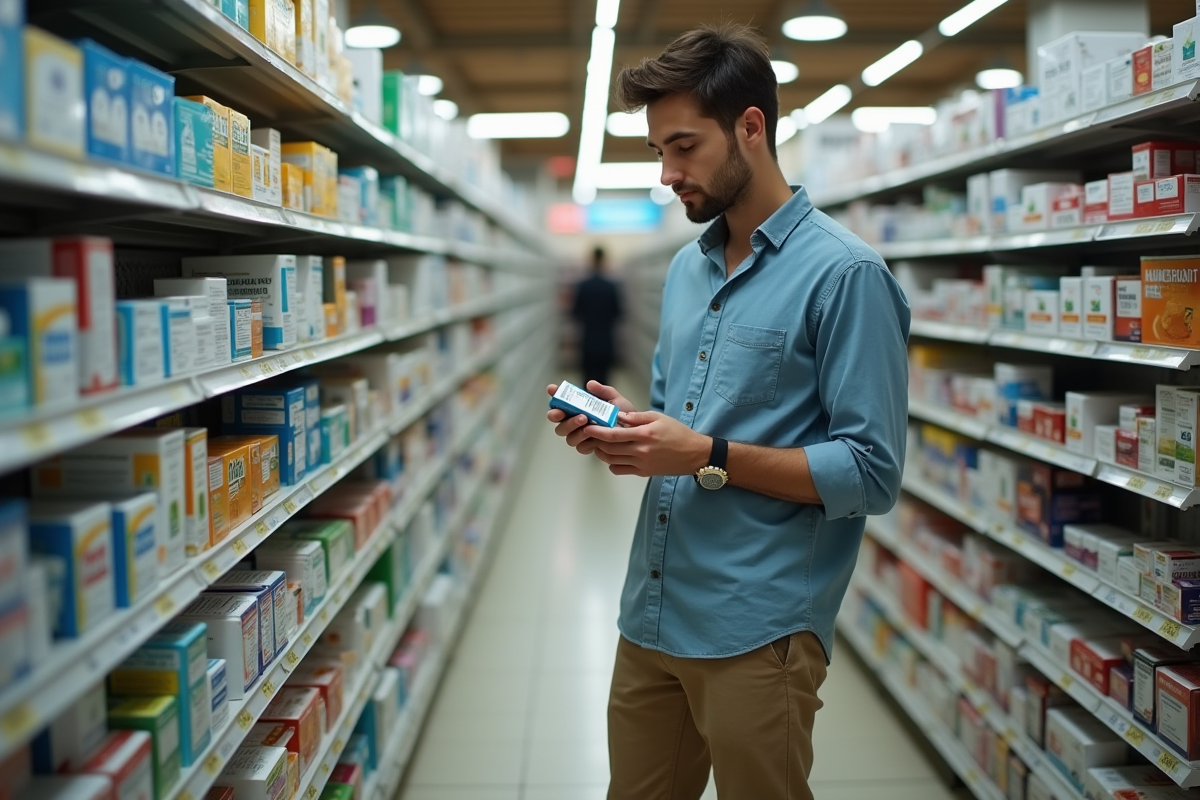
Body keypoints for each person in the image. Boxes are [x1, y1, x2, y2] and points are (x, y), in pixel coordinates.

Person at [545, 21, 910, 800]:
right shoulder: (684, 269)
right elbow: (689, 423)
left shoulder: (846, 277)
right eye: (657, 153)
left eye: (684, 147)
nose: (668, 173)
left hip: (757, 628)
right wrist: (633, 430)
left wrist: (704, 453)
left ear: (751, 127)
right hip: (650, 610)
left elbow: (871, 474)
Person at [572, 246, 623, 388]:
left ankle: (585, 410)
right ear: (604, 260)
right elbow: (618, 313)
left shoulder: (583, 286)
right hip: (606, 342)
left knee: (587, 383)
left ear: (592, 260)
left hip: (587, 341)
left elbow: (575, 313)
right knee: (604, 385)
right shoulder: (611, 287)